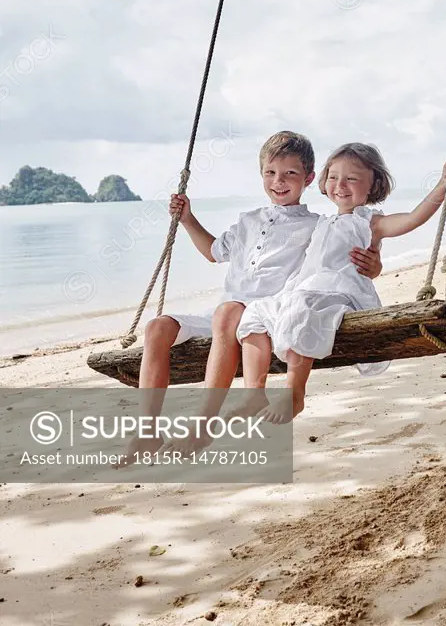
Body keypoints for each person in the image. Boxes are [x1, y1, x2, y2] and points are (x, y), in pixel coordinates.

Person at [122, 131, 381, 464]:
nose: (279, 181)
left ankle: (204, 424)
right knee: (158, 327)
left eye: (290, 174)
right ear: (261, 175)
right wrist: (187, 220)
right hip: (225, 314)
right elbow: (214, 252)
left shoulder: (317, 225)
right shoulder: (248, 220)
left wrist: (373, 266)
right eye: (271, 173)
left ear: (309, 179)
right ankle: (147, 433)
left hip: (266, 317)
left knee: (228, 313)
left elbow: (343, 259)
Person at [237, 142, 446, 423]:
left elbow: (412, 218)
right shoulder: (322, 222)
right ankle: (252, 393)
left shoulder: (369, 223)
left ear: (373, 185)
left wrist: (444, 184)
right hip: (304, 289)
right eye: (333, 177)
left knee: (302, 308)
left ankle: (294, 394)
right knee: (255, 312)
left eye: (352, 178)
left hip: (340, 295)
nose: (340, 185)